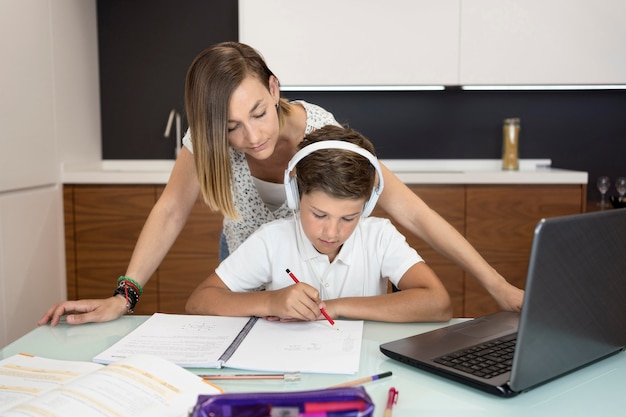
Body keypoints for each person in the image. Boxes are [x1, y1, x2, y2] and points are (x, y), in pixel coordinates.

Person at [39, 41, 523, 327]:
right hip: (249, 275)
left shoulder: (322, 135)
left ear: (274, 89)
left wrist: (497, 286)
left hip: (316, 288)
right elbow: (170, 210)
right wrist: (125, 295)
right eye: (230, 128)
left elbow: (413, 211)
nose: (251, 138)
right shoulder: (206, 140)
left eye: (257, 114)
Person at [185, 125, 452, 323]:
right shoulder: (272, 240)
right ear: (295, 195)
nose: (332, 232)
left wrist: (334, 307)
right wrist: (270, 301)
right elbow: (198, 302)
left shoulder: (380, 237)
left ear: (367, 207)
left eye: (349, 218)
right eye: (319, 214)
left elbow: (438, 303)